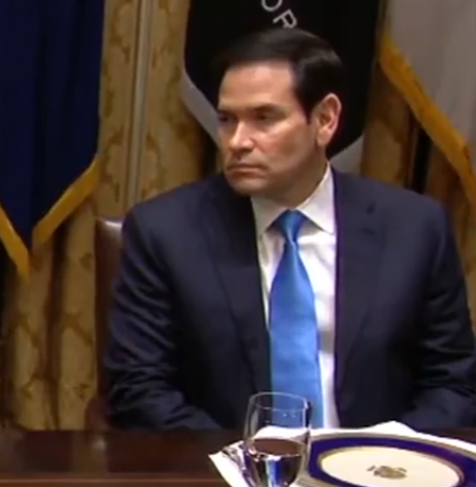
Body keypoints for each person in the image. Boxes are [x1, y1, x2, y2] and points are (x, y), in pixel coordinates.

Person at [105, 27, 476, 431]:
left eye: (264, 118)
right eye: (227, 120)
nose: (237, 142)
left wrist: (387, 456)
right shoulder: (166, 232)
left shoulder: (415, 229)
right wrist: (251, 462)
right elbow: (138, 390)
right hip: (228, 475)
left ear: (325, 120)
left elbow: (454, 382)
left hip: (383, 474)